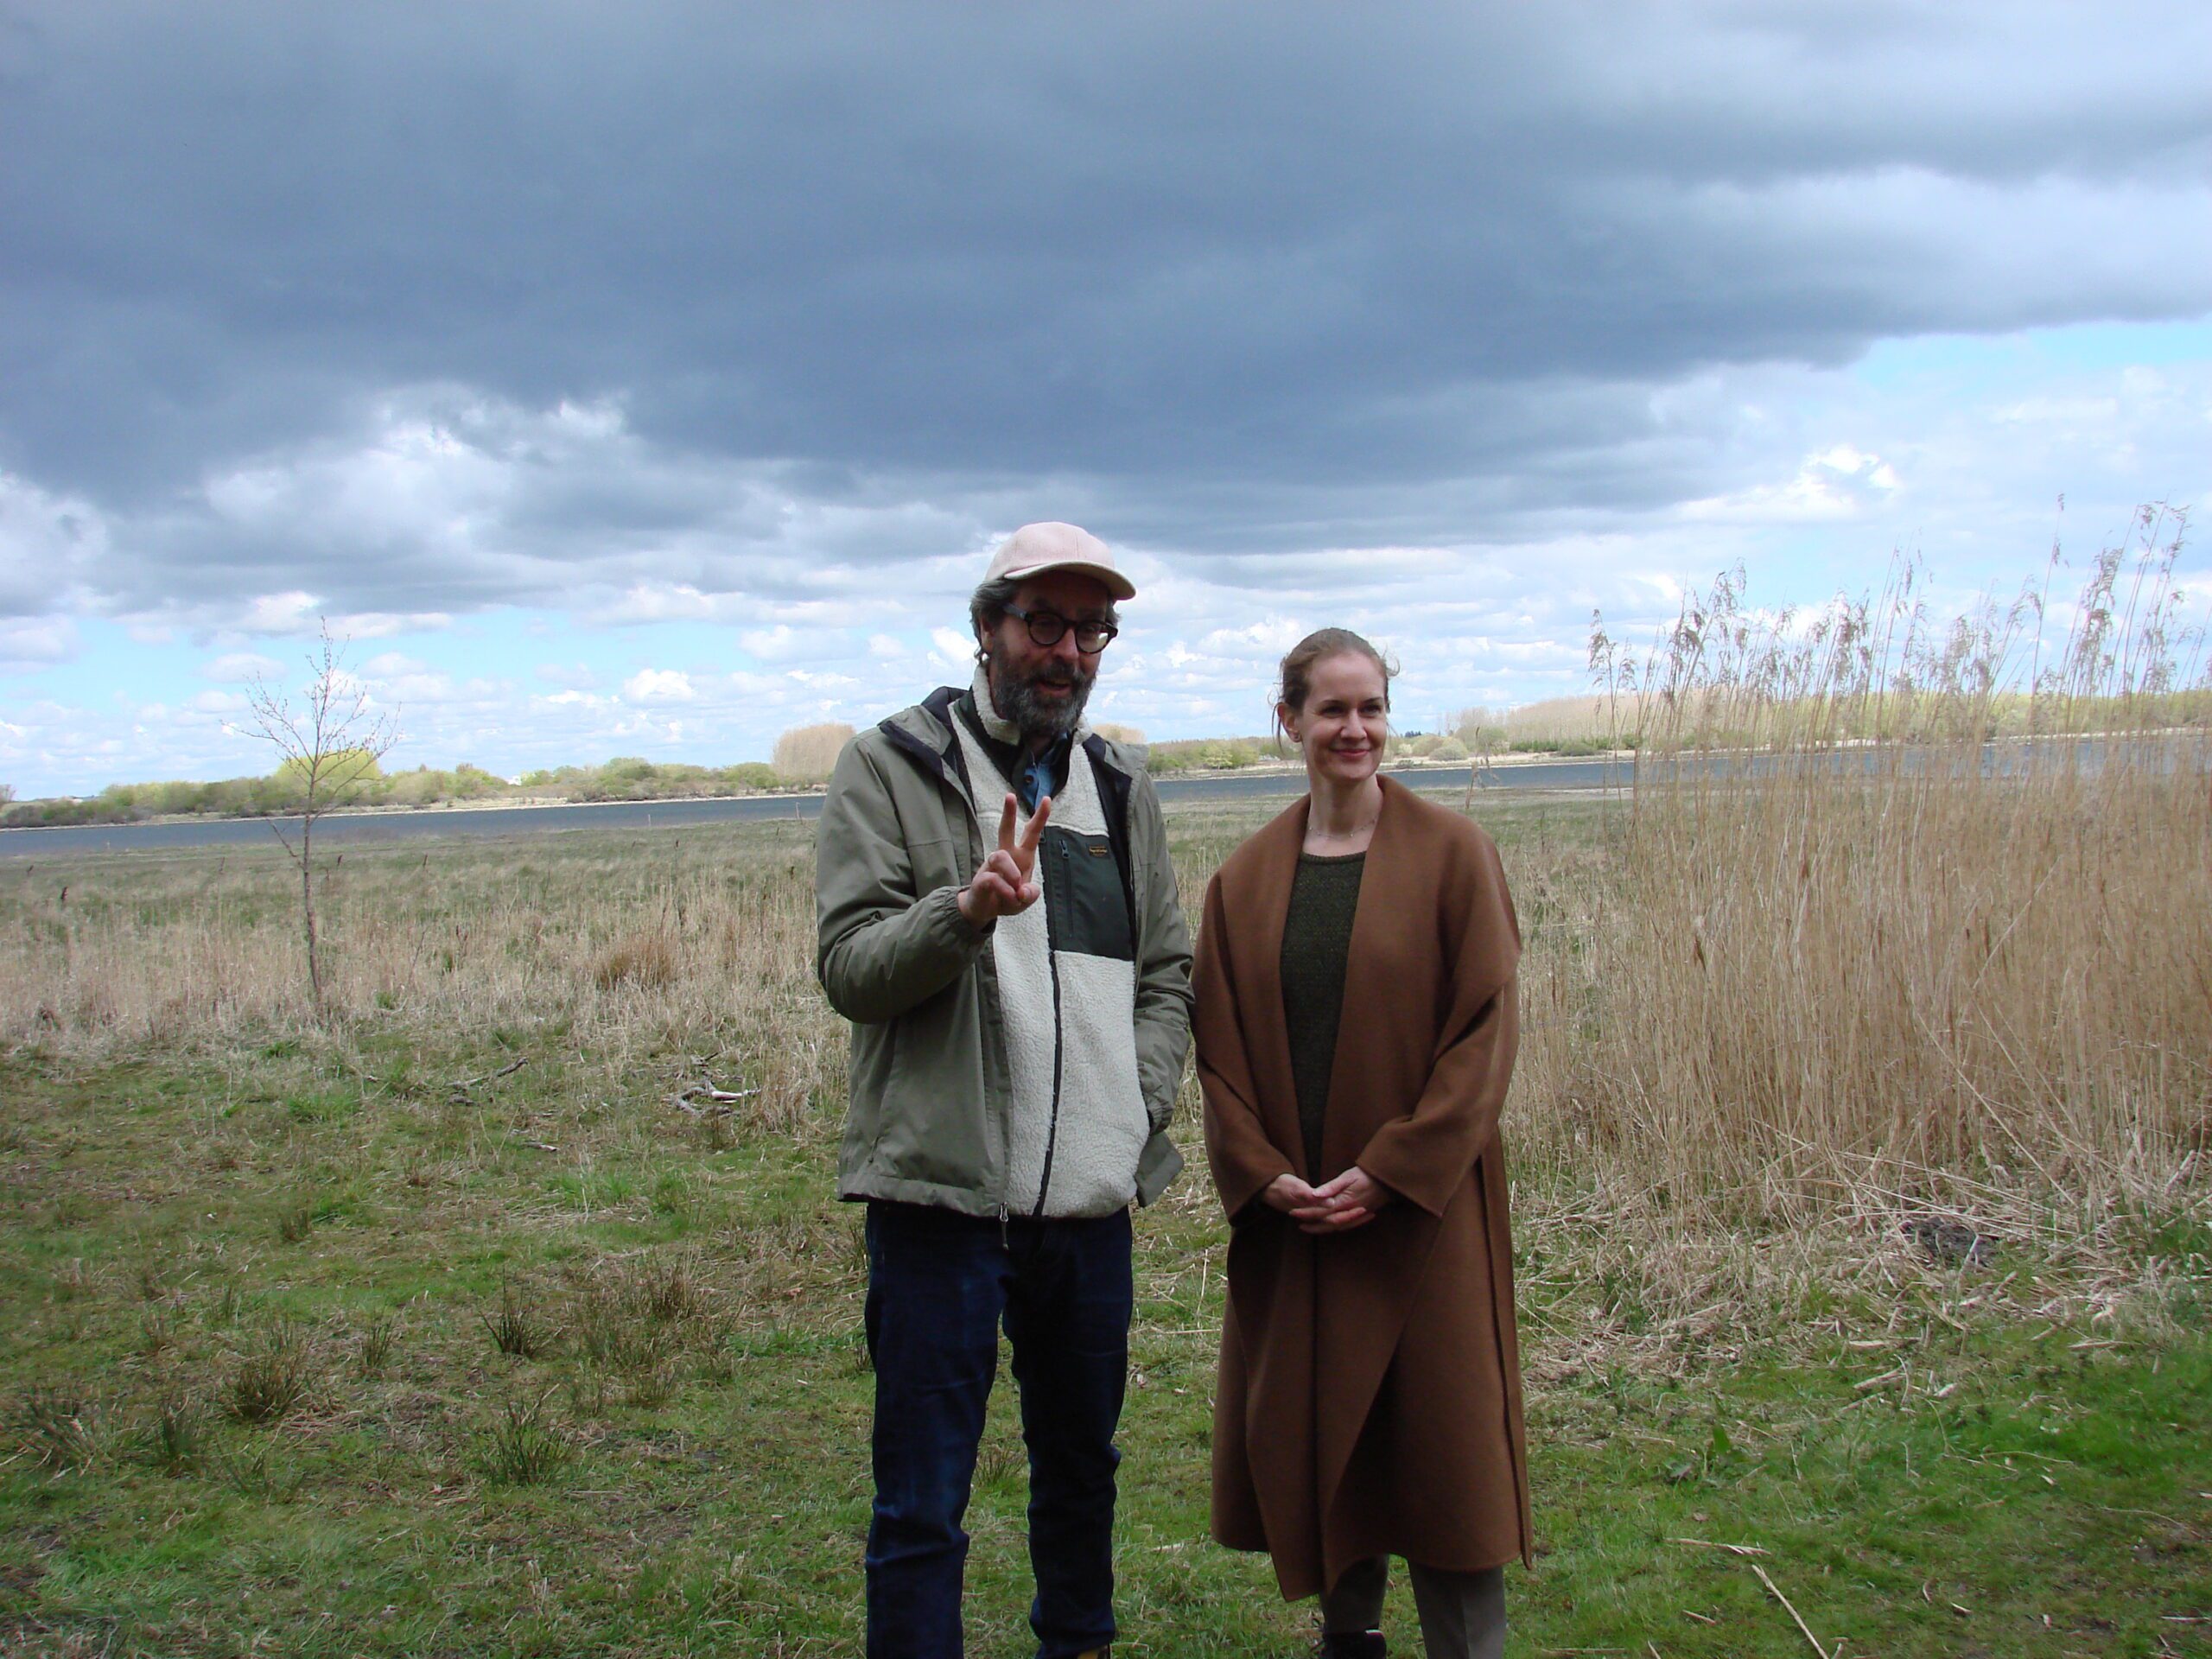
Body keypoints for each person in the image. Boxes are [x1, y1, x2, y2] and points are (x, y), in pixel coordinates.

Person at [815, 521, 1194, 1659]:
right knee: (923, 1505)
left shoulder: (1122, 787)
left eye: (1091, 630)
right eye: (1044, 623)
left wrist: (1140, 1105)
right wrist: (965, 912)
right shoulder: (891, 766)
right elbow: (852, 972)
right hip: (943, 1205)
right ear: (987, 630)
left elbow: (1166, 975)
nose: (1067, 651)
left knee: (1081, 1475)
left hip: (1087, 1207)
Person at [1192, 628, 1529, 1659]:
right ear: (1286, 720)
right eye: (1331, 709)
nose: (1354, 729)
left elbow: (1484, 1035)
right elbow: (1219, 1057)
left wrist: (1390, 1172)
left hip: (1424, 1221)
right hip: (1306, 1223)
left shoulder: (1453, 855)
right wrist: (1264, 1179)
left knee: (1445, 1468)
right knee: (1330, 1457)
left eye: (1371, 708)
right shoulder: (1243, 881)